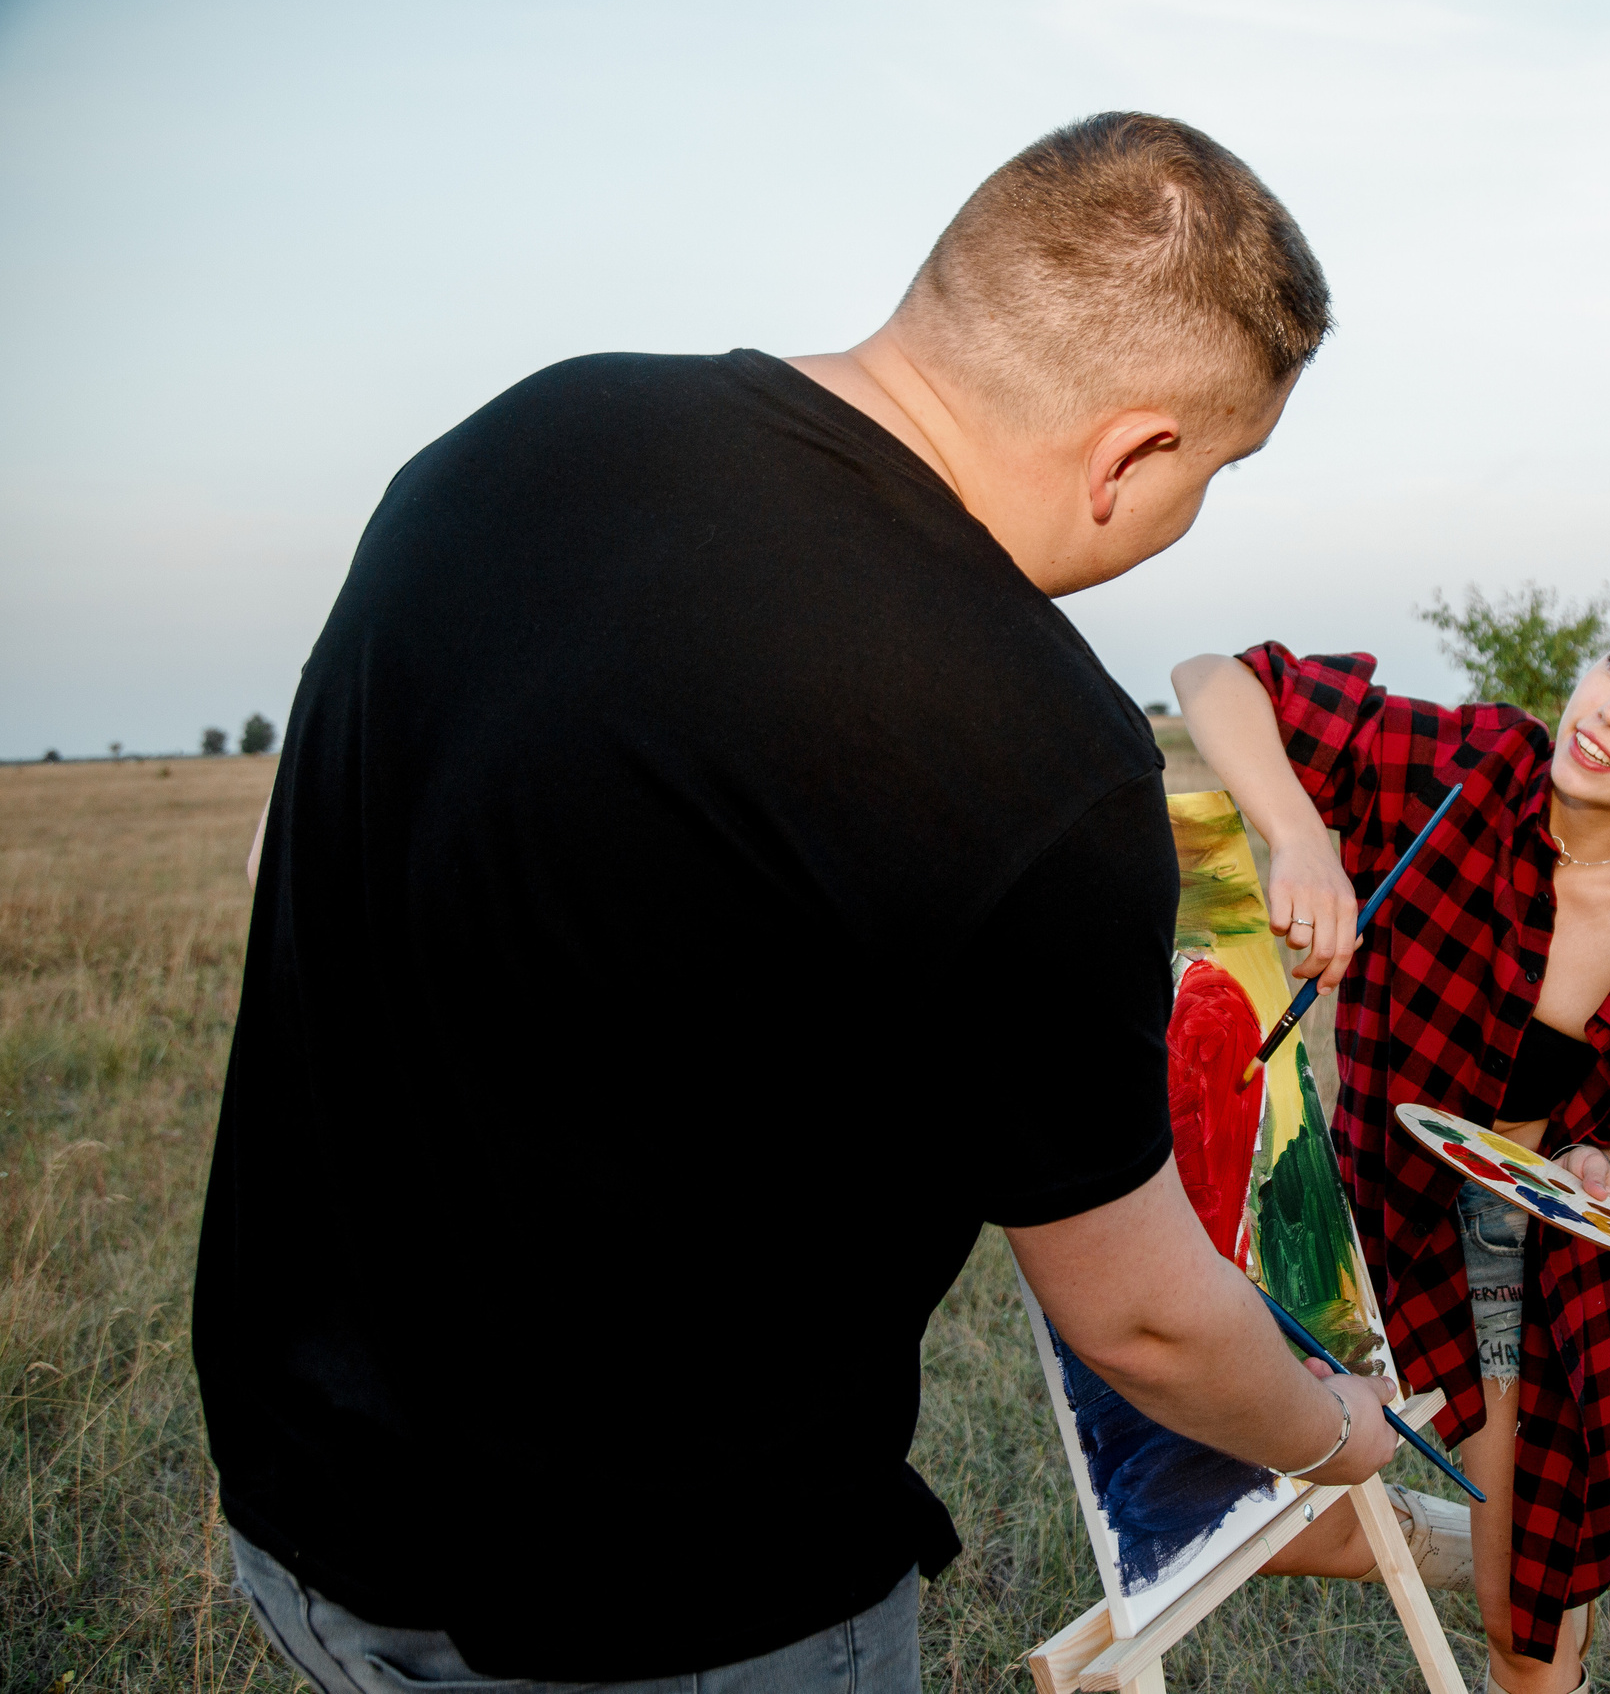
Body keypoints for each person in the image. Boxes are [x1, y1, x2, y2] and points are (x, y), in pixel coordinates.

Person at [195, 113, 1400, 1694]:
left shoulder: (525, 432)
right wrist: (1331, 1430)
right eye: (1216, 471)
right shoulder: (1027, 746)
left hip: (310, 1510)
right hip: (668, 1607)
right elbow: (1146, 1319)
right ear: (1134, 451)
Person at [1173, 564, 1610, 1694]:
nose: (1608, 710)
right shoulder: (1462, 769)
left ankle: (1518, 1570)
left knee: (1526, 1644)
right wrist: (1301, 835)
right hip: (1366, 1221)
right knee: (1212, 1501)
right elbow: (1216, 680)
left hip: (1526, 1277)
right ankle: (1466, 1536)